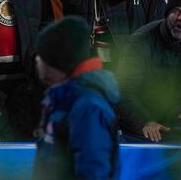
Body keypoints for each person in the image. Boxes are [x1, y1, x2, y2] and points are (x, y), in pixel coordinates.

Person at [117, 0, 181, 142]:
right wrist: (145, 121)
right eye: (176, 11)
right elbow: (124, 90)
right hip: (140, 125)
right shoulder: (140, 41)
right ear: (167, 15)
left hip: (176, 124)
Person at [33, 16, 119, 179]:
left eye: (41, 55)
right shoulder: (64, 99)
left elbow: (93, 173)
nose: (37, 60)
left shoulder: (88, 107)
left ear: (54, 61)